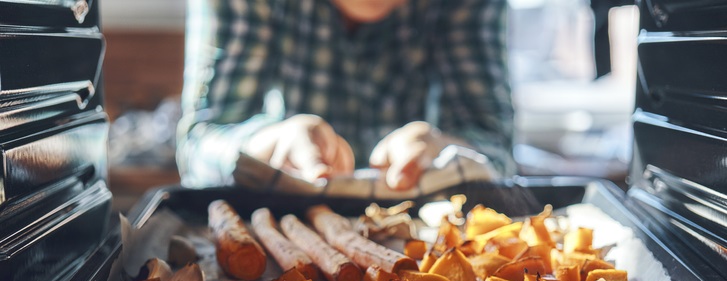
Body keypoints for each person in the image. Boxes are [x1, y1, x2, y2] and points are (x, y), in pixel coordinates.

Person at [177, 0, 515, 191]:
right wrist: (262, 145)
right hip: (279, 216)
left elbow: (495, 148)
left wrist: (446, 148)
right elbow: (201, 141)